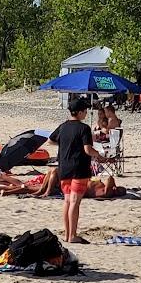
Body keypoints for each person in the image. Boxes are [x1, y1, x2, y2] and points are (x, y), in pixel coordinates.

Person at [50, 97, 106, 245]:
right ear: (80, 112)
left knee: (67, 200)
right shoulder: (84, 128)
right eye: (85, 111)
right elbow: (87, 150)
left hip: (64, 168)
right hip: (79, 168)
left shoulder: (63, 126)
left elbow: (50, 140)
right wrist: (99, 155)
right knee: (75, 202)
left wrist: (65, 143)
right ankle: (73, 235)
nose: (86, 113)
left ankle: (67, 234)